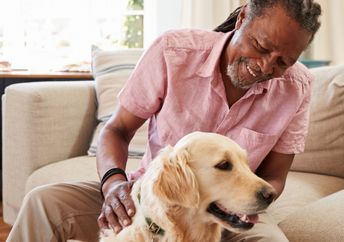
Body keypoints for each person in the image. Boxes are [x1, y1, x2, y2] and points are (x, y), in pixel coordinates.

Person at [7, 0, 321, 241]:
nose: (265, 66)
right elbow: (116, 130)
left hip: (229, 210)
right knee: (45, 202)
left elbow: (275, 177)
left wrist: (233, 210)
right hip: (153, 195)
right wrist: (114, 184)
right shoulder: (174, 51)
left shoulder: (297, 87)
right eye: (260, 46)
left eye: (283, 62)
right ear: (241, 20)